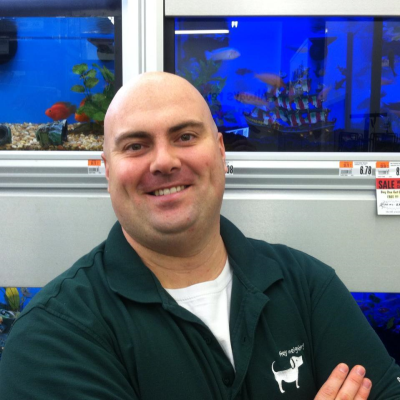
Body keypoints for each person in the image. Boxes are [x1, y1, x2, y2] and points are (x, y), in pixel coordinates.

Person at [0, 72, 399, 399]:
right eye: (136, 145)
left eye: (185, 137)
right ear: (107, 170)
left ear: (221, 152)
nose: (164, 161)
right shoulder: (54, 336)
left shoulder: (307, 286)